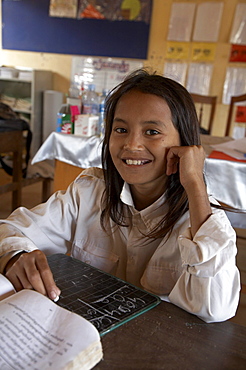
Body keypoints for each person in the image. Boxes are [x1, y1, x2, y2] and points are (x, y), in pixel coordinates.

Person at [0, 69, 240, 323]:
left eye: (152, 132)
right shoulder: (89, 193)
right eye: (121, 129)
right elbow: (11, 230)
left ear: (185, 143)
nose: (132, 145)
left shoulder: (200, 221)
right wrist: (16, 255)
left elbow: (216, 308)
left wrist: (194, 182)